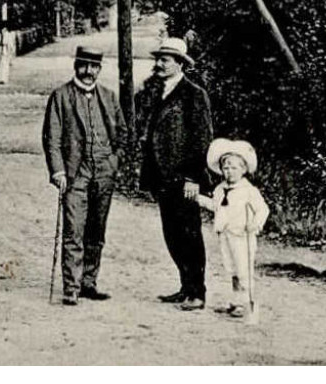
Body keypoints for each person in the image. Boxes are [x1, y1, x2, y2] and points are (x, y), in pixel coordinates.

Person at [41, 45, 125, 306]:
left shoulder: (109, 97)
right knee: (74, 228)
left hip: (104, 170)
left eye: (94, 66)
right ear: (76, 66)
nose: (89, 72)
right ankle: (71, 287)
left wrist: (114, 160)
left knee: (96, 230)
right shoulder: (61, 96)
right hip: (75, 172)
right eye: (84, 65)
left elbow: (122, 133)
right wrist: (58, 170)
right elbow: (51, 138)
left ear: (99, 69)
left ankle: (89, 282)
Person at [139, 36, 212, 309]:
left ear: (180, 63)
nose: (158, 64)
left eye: (164, 59)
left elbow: (202, 139)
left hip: (185, 179)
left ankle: (197, 292)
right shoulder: (156, 91)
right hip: (162, 177)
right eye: (158, 59)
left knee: (190, 234)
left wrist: (194, 177)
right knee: (172, 234)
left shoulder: (195, 95)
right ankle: (185, 287)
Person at [196, 138, 269, 319]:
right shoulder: (221, 189)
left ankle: (248, 303)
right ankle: (236, 301)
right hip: (226, 234)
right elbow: (216, 206)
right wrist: (197, 198)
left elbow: (263, 209)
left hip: (242, 235)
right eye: (226, 168)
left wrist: (256, 223)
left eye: (234, 168)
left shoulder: (248, 190)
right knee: (232, 270)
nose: (229, 172)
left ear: (243, 170)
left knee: (244, 270)